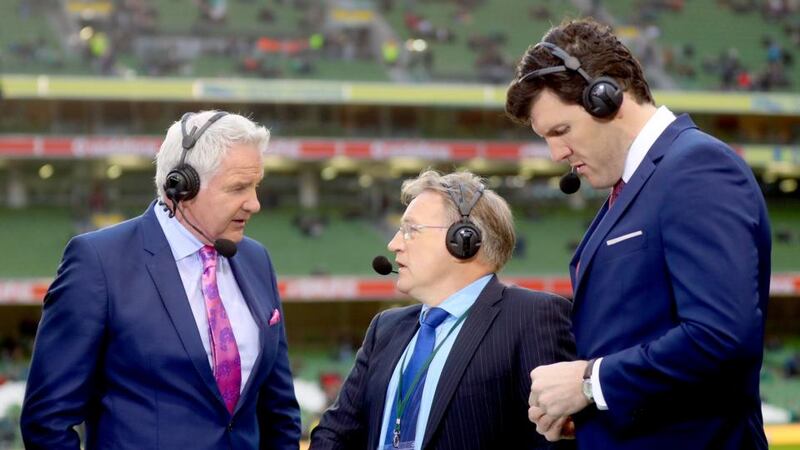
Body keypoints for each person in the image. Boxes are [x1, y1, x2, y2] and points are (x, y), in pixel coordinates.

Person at [505, 18, 771, 449]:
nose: (556, 153)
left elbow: (721, 336)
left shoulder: (696, 168)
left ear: (605, 98)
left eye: (561, 131)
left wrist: (590, 382)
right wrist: (585, 408)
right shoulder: (635, 186)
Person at [20, 111, 301, 449]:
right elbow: (47, 421)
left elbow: (279, 413)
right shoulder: (98, 262)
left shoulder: (257, 260)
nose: (254, 203)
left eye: (256, 186)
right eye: (239, 187)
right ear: (181, 186)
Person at [310, 170, 576, 450]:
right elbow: (335, 433)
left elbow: (552, 441)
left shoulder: (532, 316)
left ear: (463, 239)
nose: (393, 244)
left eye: (410, 230)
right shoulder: (385, 328)